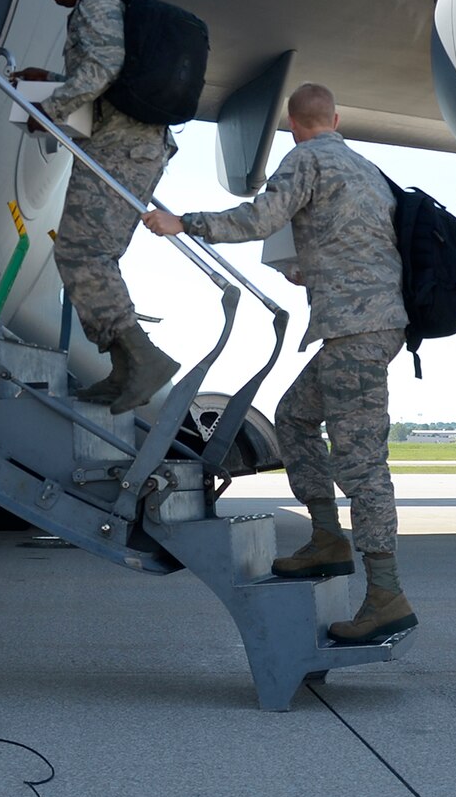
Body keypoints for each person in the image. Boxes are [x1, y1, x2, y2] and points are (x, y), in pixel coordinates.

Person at [142, 83, 415, 645]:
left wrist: (185, 223)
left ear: (293, 125)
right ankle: (326, 537)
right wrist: (309, 272)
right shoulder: (365, 168)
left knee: (362, 464)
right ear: (335, 118)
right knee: (291, 416)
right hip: (365, 326)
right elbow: (361, 249)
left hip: (355, 332)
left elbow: (262, 219)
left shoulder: (306, 158)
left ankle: (386, 593)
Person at [13, 0, 179, 414]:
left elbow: (103, 69)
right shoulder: (113, 5)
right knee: (91, 253)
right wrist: (51, 81)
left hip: (120, 149)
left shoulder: (94, 1)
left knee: (80, 252)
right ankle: (125, 368)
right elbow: (105, 75)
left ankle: (144, 359)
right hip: (132, 146)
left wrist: (48, 109)